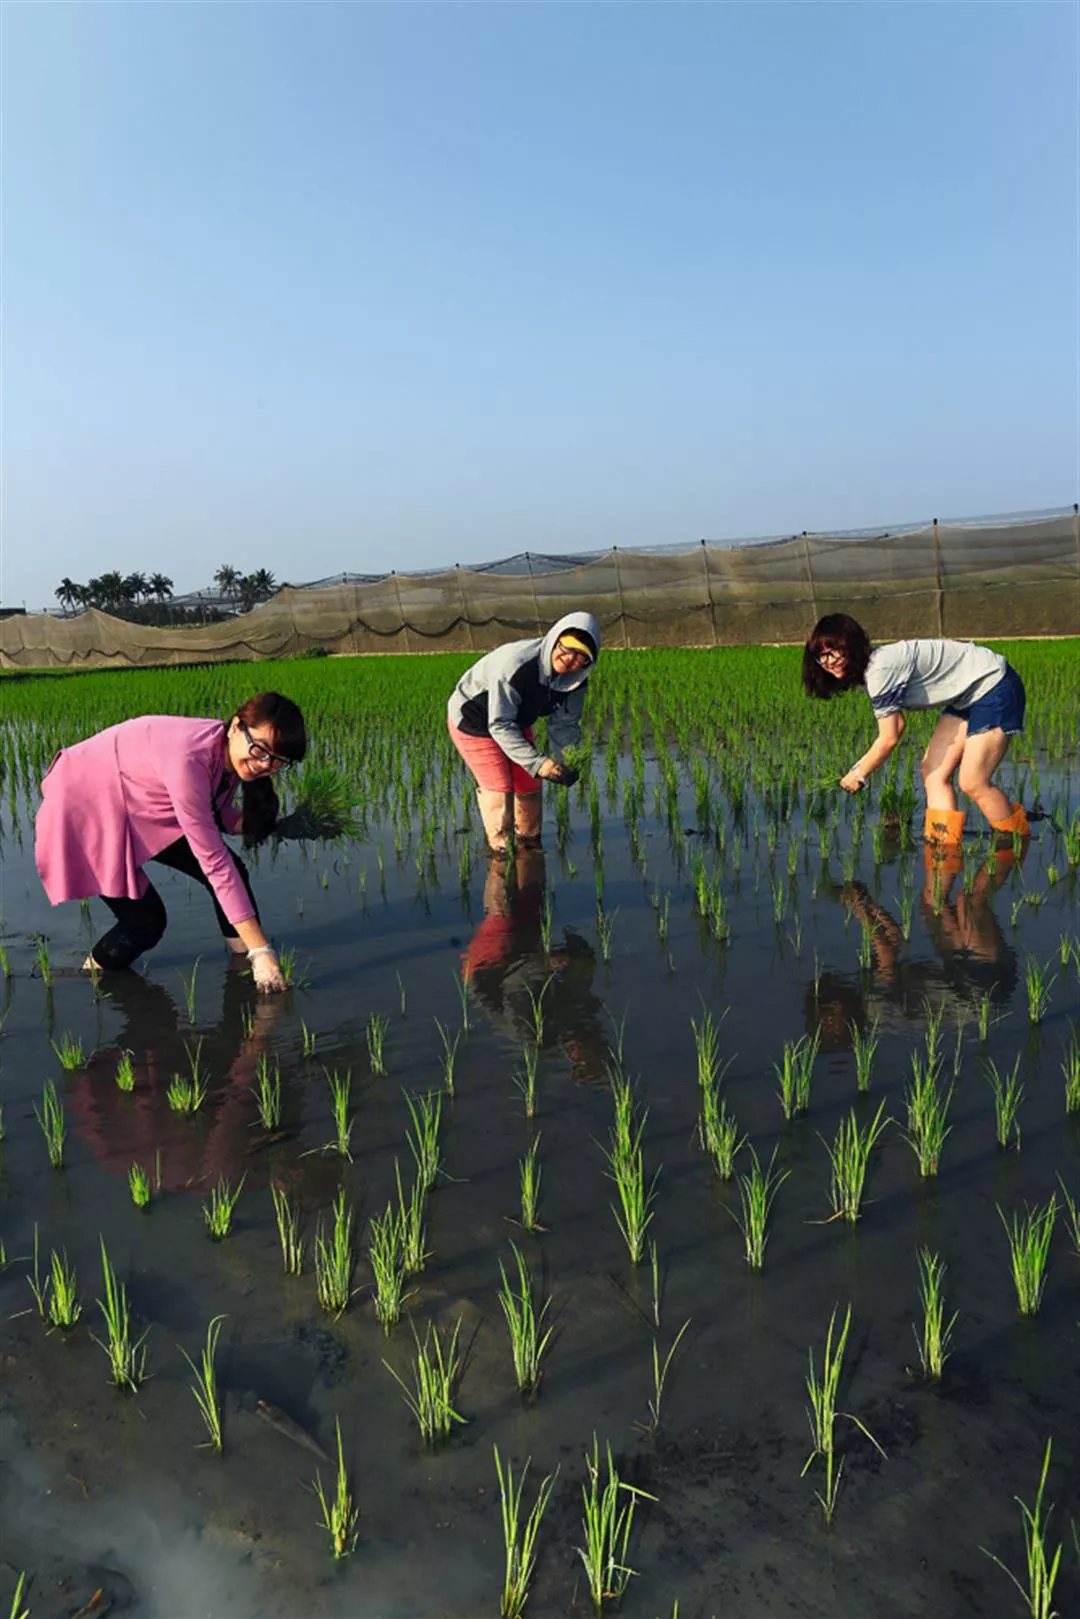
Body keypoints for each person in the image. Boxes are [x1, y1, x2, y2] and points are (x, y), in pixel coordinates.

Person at [34, 692, 305, 990]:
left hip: (136, 803)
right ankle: (89, 983)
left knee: (235, 872)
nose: (264, 764)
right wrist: (263, 951)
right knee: (145, 922)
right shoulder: (190, 759)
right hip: (85, 807)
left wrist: (276, 826)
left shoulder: (225, 752)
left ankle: (244, 969)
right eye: (260, 750)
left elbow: (212, 812)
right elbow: (214, 862)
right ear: (235, 727)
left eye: (277, 761)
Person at [802, 615, 1029, 845]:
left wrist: (859, 774)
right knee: (933, 772)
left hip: (993, 684)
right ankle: (943, 847)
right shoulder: (869, 673)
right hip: (966, 695)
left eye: (834, 651)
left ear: (851, 644)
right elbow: (896, 725)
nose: (828, 661)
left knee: (973, 781)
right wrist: (858, 770)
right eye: (822, 656)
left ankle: (1016, 843)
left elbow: (890, 736)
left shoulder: (880, 669)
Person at [447, 611, 600, 852]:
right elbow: (499, 724)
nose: (570, 658)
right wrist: (541, 764)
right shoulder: (518, 667)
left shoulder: (575, 681)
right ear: (555, 640)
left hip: (515, 721)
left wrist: (572, 756)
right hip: (474, 719)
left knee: (529, 784)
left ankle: (529, 844)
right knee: (499, 787)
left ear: (588, 662)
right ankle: (501, 853)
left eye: (581, 655)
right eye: (567, 647)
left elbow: (564, 724)